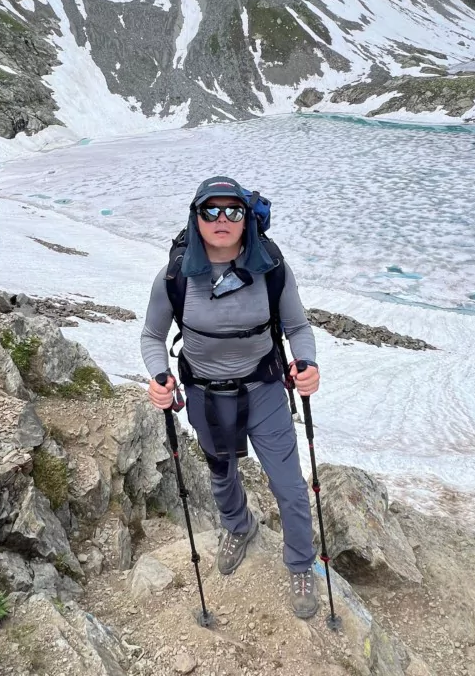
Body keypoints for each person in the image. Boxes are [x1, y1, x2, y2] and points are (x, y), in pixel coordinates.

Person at [141, 175, 320, 619]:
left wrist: (308, 363)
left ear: (246, 218)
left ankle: (300, 563)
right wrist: (160, 375)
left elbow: (296, 326)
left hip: (263, 392)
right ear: (196, 217)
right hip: (204, 395)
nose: (223, 219)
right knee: (221, 475)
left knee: (291, 488)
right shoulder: (174, 275)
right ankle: (237, 526)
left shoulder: (272, 268)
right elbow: (151, 335)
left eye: (233, 211)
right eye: (211, 211)